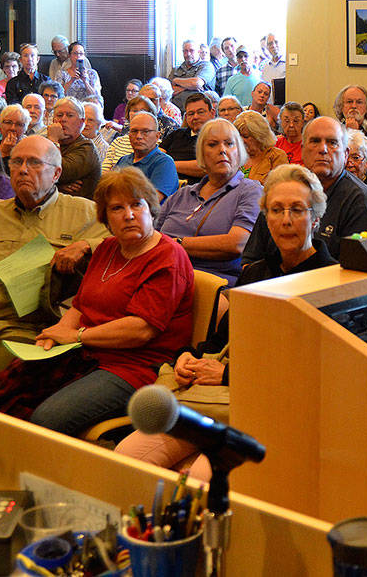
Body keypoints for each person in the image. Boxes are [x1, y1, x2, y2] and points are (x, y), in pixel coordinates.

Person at [115, 163, 332, 469]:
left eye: (297, 210)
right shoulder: (257, 273)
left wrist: (230, 376)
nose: (285, 220)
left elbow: (317, 373)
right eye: (276, 210)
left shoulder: (331, 279)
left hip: (275, 409)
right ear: (265, 218)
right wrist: (188, 357)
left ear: (316, 218)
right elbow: (222, 340)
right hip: (218, 398)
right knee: (127, 457)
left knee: (200, 478)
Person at [0, 167, 194, 435]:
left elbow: (140, 330)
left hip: (135, 366)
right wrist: (56, 335)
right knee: (2, 390)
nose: (128, 215)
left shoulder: (168, 258)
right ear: (105, 218)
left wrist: (76, 336)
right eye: (117, 208)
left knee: (45, 418)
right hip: (87, 352)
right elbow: (82, 304)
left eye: (136, 204)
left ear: (151, 208)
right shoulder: (107, 248)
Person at [0, 135, 109, 397]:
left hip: (24, 332)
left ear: (57, 173)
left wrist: (86, 245)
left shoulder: (85, 214)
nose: (23, 169)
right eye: (16, 162)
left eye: (35, 163)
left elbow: (130, 245)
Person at [242, 116, 367, 262]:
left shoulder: (361, 200)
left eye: (332, 142)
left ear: (346, 154)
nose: (323, 149)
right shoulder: (281, 190)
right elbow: (250, 259)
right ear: (302, 150)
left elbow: (357, 273)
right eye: (315, 141)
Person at [153, 118, 261, 284]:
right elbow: (153, 239)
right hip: (164, 275)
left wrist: (178, 244)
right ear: (201, 155)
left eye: (229, 144)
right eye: (212, 144)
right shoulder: (182, 195)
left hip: (211, 284)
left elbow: (237, 243)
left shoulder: (250, 191)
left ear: (239, 152)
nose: (222, 150)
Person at [116, 111, 178, 200]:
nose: (139, 136)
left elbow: (152, 202)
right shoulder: (123, 160)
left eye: (145, 131)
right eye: (134, 131)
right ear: (129, 135)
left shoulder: (164, 163)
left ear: (157, 136)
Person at [48, 97, 101, 199]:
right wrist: (57, 186)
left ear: (81, 122)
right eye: (59, 115)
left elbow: (59, 172)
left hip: (78, 211)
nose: (63, 119)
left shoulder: (87, 148)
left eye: (69, 115)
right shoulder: (45, 142)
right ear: (54, 120)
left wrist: (54, 140)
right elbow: (33, 174)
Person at [334, 84, 367, 182]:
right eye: (349, 102)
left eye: (359, 102)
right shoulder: (334, 129)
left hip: (364, 186)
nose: (354, 106)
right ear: (341, 107)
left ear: (366, 107)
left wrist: (353, 133)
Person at [101, 96, 161, 173]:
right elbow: (104, 171)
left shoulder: (156, 144)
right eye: (135, 110)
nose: (139, 113)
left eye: (143, 110)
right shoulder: (118, 142)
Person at [235, 110, 287, 183]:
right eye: (238, 136)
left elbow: (280, 188)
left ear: (259, 136)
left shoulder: (276, 156)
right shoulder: (235, 157)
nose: (241, 140)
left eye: (246, 136)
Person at [169, 39, 217, 111]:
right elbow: (167, 90)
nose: (188, 54)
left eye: (191, 50)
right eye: (185, 51)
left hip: (199, 110)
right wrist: (190, 86)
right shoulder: (176, 69)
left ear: (198, 52)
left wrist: (176, 80)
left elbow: (197, 83)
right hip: (177, 110)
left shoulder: (206, 66)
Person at [59, 42, 103, 106]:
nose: (78, 57)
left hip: (87, 108)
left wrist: (85, 81)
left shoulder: (92, 74)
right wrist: (71, 80)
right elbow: (58, 95)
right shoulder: (61, 73)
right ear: (69, 55)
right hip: (68, 107)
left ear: (84, 56)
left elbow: (96, 98)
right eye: (75, 53)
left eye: (81, 54)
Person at [0, 103, 30, 171]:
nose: (13, 128)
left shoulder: (29, 150)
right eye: (8, 122)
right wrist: (3, 153)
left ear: (25, 129)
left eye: (19, 124)